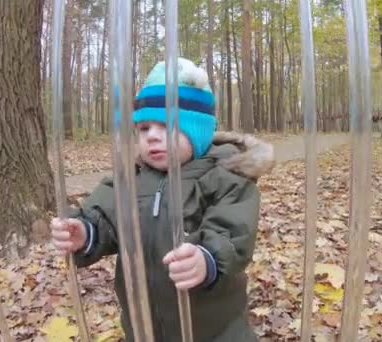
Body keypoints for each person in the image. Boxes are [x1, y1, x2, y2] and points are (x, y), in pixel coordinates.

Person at [50, 57, 274, 341]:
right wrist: (84, 231)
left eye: (165, 126)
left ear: (197, 130)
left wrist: (206, 259)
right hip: (145, 327)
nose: (152, 137)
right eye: (144, 129)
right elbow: (105, 218)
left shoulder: (227, 176)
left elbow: (232, 233)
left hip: (215, 330)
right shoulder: (130, 181)